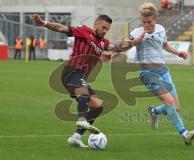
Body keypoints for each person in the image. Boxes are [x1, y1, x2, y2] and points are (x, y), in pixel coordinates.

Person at [32, 14, 144, 148]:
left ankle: (76, 137)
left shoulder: (104, 43)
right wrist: (44, 22)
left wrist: (135, 41)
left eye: (107, 29)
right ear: (96, 24)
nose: (104, 31)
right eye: (103, 27)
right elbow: (61, 27)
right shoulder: (84, 30)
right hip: (71, 70)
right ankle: (82, 119)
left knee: (97, 105)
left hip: (80, 76)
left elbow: (118, 47)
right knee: (83, 94)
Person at [129, 2, 194, 145]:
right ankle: (185, 134)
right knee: (169, 102)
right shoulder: (136, 32)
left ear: (155, 18)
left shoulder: (161, 29)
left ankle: (154, 111)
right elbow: (132, 44)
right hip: (148, 73)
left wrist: (178, 52)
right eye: (144, 22)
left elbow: (164, 44)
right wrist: (144, 33)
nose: (146, 24)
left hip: (163, 70)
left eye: (149, 22)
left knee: (176, 107)